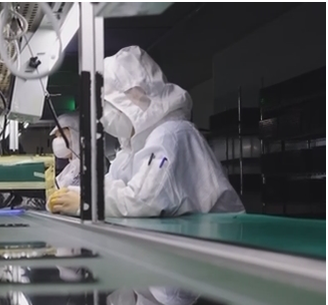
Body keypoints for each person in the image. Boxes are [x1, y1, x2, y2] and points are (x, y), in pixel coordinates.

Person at [49, 46, 244, 217]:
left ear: (133, 98)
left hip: (219, 238)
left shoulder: (171, 136)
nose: (102, 117)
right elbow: (110, 184)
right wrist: (73, 194)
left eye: (106, 106)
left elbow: (143, 200)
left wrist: (86, 202)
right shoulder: (130, 149)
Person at [50, 112, 81, 189]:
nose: (57, 141)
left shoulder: (91, 166)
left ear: (76, 135)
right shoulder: (72, 167)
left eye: (61, 136)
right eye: (56, 137)